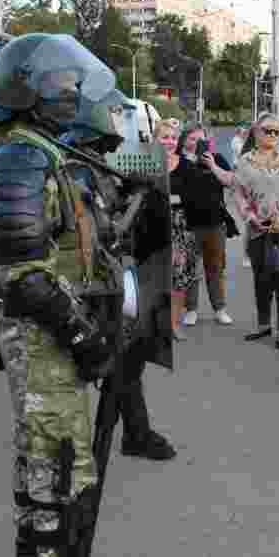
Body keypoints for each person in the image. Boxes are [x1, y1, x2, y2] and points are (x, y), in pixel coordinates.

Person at [0, 33, 137, 557]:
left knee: (38, 457)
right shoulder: (20, 155)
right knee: (64, 468)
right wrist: (87, 339)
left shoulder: (31, 149)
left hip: (36, 335)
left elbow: (55, 243)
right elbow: (24, 274)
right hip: (42, 337)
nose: (76, 91)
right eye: (66, 81)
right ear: (38, 90)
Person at [57, 97, 178, 464]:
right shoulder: (72, 166)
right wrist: (139, 196)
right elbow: (103, 229)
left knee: (130, 353)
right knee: (112, 357)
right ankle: (99, 441)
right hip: (88, 277)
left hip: (119, 270)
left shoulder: (96, 160)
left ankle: (133, 432)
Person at [225, 114, 279, 349]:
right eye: (267, 130)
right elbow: (237, 191)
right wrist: (249, 216)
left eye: (277, 132)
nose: (273, 135)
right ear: (256, 131)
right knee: (261, 275)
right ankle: (263, 324)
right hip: (258, 226)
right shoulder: (245, 160)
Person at [175, 123, 235, 328]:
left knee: (215, 267)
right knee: (190, 268)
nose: (196, 143)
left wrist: (212, 166)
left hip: (215, 222)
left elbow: (230, 181)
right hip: (187, 223)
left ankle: (219, 308)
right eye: (192, 139)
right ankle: (191, 309)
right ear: (184, 140)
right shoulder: (178, 160)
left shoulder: (216, 158)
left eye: (200, 140)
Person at [156, 120, 196, 341]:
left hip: (180, 228)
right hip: (152, 224)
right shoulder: (145, 163)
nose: (169, 142)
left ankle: (173, 324)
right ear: (155, 139)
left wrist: (169, 199)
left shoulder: (186, 166)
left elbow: (193, 199)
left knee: (178, 281)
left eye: (172, 138)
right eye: (164, 137)